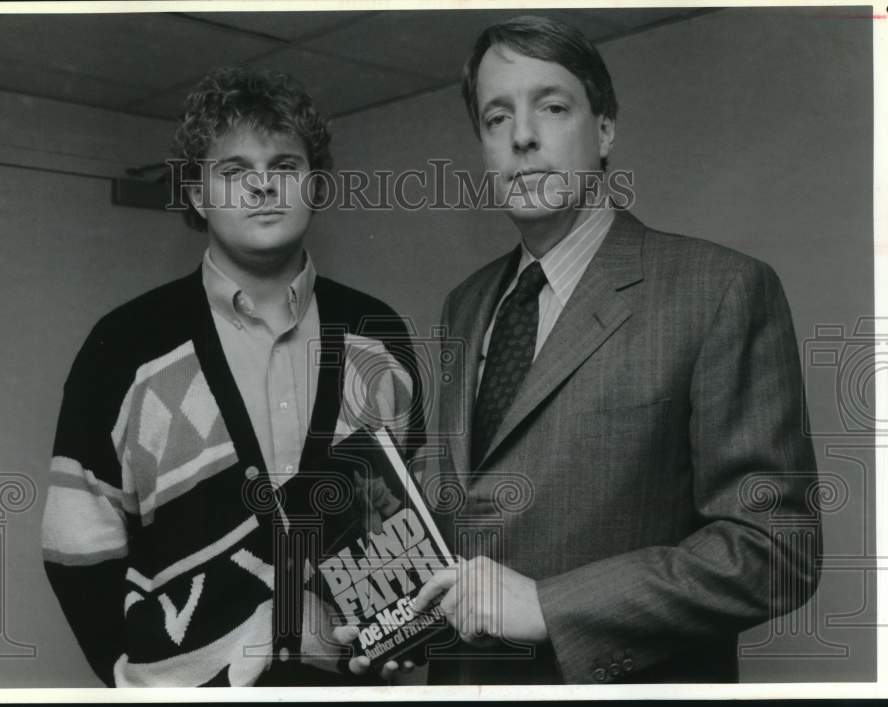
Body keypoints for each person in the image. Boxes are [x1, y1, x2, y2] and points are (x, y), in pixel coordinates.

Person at [408, 15, 821, 684]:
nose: (522, 135)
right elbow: (470, 505)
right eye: (495, 117)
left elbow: (775, 549)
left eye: (552, 106)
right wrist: (393, 609)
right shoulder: (466, 303)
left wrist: (548, 605)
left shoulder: (719, 289)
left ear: (603, 129)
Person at [40, 66, 424, 687]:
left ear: (314, 185)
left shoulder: (377, 332)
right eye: (234, 171)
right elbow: (75, 540)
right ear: (196, 194)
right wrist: (125, 674)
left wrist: (400, 630)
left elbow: (401, 512)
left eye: (285, 166)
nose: (263, 188)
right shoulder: (123, 346)